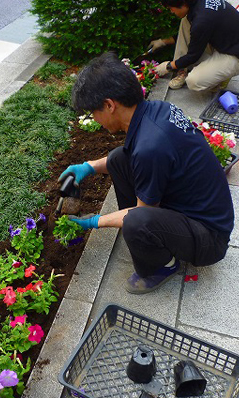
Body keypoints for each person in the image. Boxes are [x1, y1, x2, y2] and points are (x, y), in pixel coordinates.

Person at [61, 52, 234, 294]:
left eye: (94, 113)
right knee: (119, 158)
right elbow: (132, 157)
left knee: (136, 221)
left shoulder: (150, 148)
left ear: (110, 105)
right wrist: (89, 166)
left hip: (209, 237)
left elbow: (142, 212)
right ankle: (149, 235)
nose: (95, 120)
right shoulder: (156, 110)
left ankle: (163, 266)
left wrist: (95, 222)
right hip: (198, 209)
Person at [150, 0, 239, 91]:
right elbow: (195, 34)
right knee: (185, 21)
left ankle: (221, 79)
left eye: (171, 8)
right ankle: (182, 70)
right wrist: (163, 41)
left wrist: (168, 66)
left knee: (194, 81)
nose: (171, 11)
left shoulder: (202, 19)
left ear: (183, 4)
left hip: (235, 55)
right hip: (227, 41)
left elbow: (193, 56)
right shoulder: (198, 5)